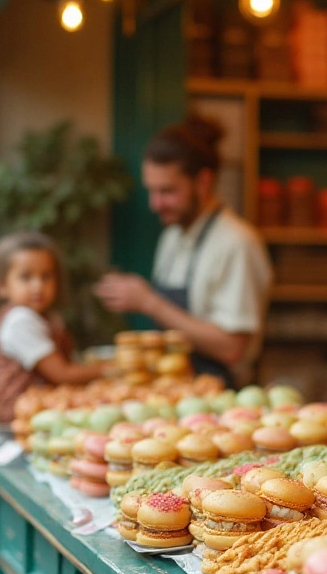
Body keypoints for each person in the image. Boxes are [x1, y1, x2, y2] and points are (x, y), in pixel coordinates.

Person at [95, 114, 272, 386]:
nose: (155, 204)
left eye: (167, 191)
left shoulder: (236, 243)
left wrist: (148, 302)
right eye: (151, 191)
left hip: (223, 397)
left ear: (203, 181)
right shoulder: (172, 235)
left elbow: (232, 348)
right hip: (176, 390)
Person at [0, 232, 110, 423]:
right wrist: (108, 369)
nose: (38, 286)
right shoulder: (20, 321)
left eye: (46, 276)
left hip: (36, 416)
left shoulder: (43, 317)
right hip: (19, 418)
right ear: (1, 286)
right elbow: (62, 373)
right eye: (26, 277)